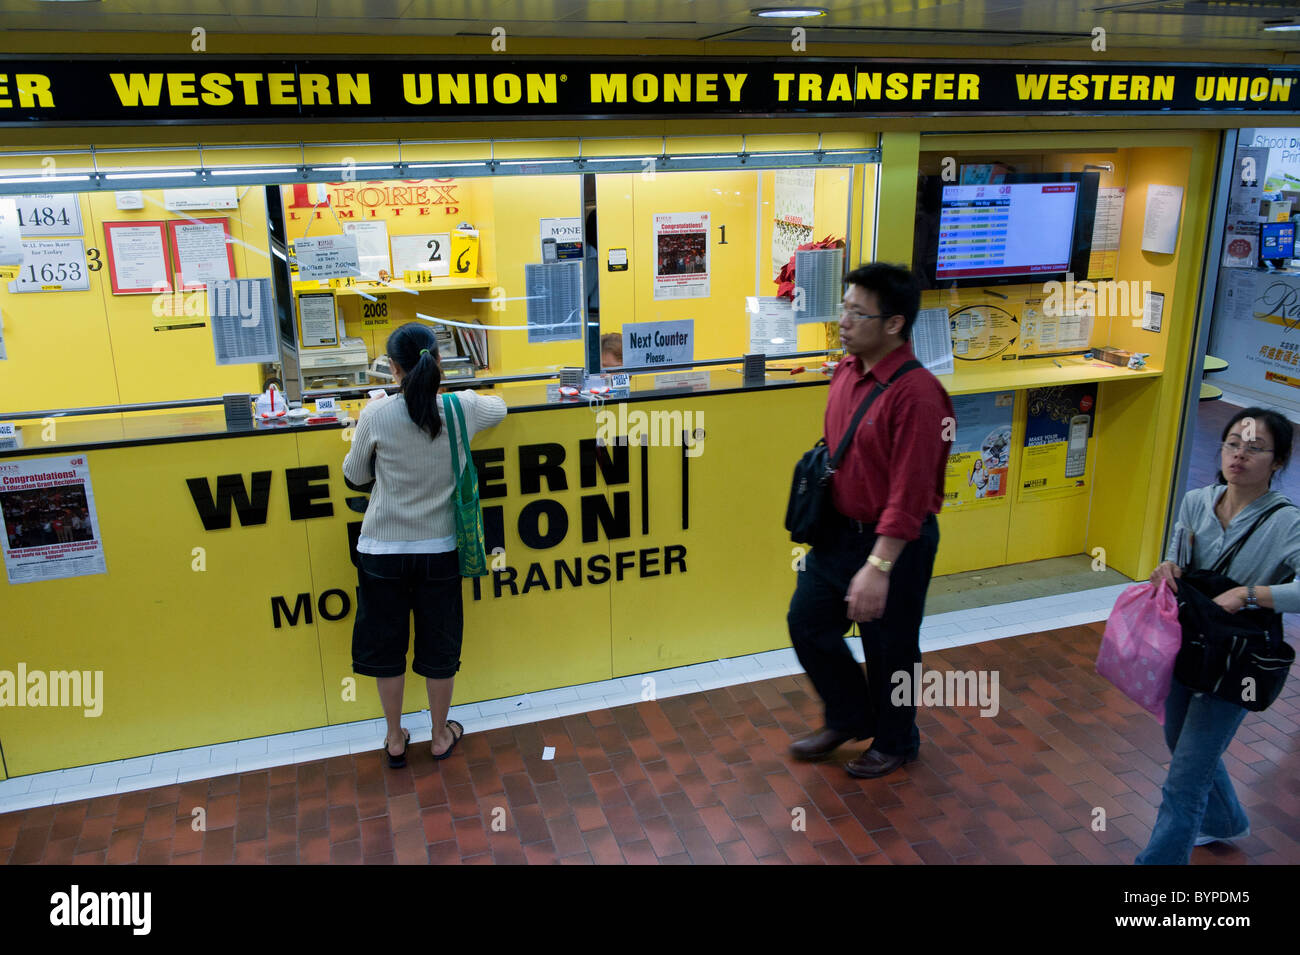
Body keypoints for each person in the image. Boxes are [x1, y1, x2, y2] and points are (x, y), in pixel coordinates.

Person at [787, 262, 955, 778]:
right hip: (841, 534)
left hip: (895, 545)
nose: (844, 320)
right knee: (808, 621)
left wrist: (878, 568)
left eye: (858, 312)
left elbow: (910, 495)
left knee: (890, 648)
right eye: (845, 307)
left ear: (894, 324)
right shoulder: (846, 372)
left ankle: (897, 739)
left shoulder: (920, 397)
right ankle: (850, 715)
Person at [1138, 406, 1299, 864]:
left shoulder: (1288, 523)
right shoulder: (1195, 502)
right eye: (1232, 444)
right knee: (1180, 744)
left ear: (1278, 461)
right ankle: (1226, 820)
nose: (1240, 455)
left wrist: (1251, 595)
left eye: (1255, 448)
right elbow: (1176, 558)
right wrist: (1167, 568)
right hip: (1187, 646)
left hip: (1235, 659)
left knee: (1184, 779)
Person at [343, 322, 507, 768]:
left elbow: (355, 475)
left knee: (387, 645)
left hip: (381, 554)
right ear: (437, 361)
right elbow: (502, 406)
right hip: (440, 551)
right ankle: (439, 735)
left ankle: (395, 739)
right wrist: (450, 389)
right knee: (438, 645)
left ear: (392, 368)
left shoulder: (377, 414)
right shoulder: (462, 408)